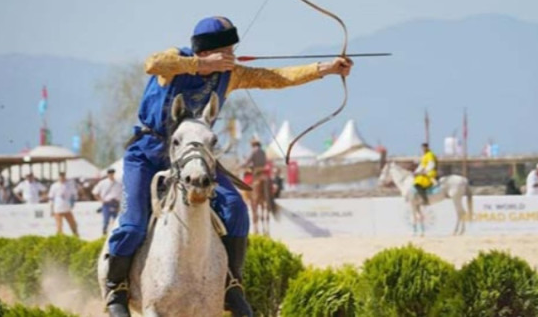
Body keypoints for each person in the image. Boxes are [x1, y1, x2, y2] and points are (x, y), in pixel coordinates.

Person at [103, 16, 353, 317]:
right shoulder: (174, 63)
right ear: (208, 50)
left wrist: (324, 69)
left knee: (235, 209)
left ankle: (232, 285)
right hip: (148, 152)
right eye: (227, 50)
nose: (233, 56)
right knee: (132, 224)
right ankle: (116, 288)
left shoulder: (230, 75)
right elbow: (152, 63)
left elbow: (275, 77)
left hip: (196, 155)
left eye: (233, 50)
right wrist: (200, 65)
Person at [93, 168, 123, 235]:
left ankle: (115, 233)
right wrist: (101, 200)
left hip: (115, 202)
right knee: (106, 220)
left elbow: (122, 192)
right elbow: (95, 192)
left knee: (116, 220)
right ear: (108, 174)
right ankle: (104, 233)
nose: (111, 175)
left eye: (112, 173)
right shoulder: (103, 183)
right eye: (110, 173)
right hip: (107, 203)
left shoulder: (119, 182)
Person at [48, 172, 79, 236]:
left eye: (63, 176)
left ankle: (76, 236)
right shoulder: (54, 186)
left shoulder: (69, 185)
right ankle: (59, 238)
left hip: (67, 208)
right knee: (59, 225)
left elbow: (74, 195)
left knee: (73, 224)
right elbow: (51, 198)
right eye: (61, 177)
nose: (62, 178)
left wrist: (73, 202)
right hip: (58, 208)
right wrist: (51, 209)